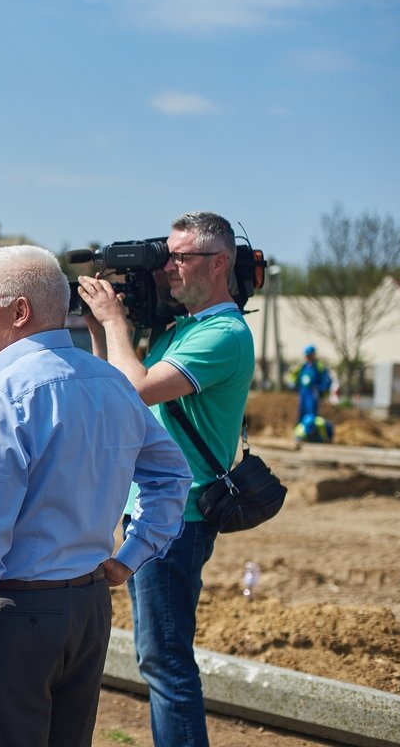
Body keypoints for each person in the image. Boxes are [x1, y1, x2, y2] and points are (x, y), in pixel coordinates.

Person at [0, 245, 192, 746]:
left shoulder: (1, 397)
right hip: (89, 611)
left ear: (20, 312)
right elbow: (172, 478)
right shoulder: (113, 385)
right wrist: (129, 558)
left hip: (18, 619)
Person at [78, 211, 255, 747]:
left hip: (180, 519)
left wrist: (115, 322)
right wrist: (96, 325)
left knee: (165, 660)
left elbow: (137, 388)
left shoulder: (223, 333)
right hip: (156, 512)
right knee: (157, 657)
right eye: (169, 255)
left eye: (181, 257)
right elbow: (116, 386)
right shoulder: (182, 330)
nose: (169, 268)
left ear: (219, 262)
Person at [288, 345, 332, 428]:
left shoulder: (319, 367)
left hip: (313, 394)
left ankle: (311, 434)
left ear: (314, 355)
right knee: (302, 413)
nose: (308, 357)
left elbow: (327, 381)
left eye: (310, 355)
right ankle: (300, 433)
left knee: (312, 414)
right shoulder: (302, 367)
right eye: (307, 355)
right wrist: (292, 384)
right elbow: (294, 378)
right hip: (303, 393)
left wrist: (320, 389)